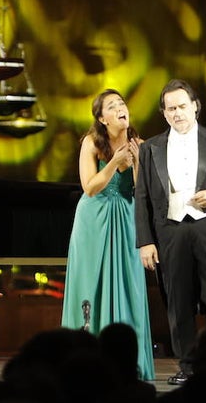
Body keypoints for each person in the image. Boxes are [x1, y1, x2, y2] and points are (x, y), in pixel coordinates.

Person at [134, 78, 206, 385]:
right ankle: (187, 366)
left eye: (182, 107)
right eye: (171, 109)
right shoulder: (151, 148)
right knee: (178, 301)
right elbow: (142, 196)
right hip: (172, 231)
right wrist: (145, 241)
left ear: (195, 107)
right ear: (163, 113)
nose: (177, 113)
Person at [60, 88, 155, 381]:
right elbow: (89, 187)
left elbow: (142, 191)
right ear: (103, 119)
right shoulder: (92, 142)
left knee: (129, 283)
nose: (120, 108)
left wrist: (136, 162)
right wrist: (114, 162)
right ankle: (84, 359)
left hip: (127, 216)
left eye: (121, 103)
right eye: (112, 106)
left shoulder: (140, 144)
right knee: (91, 282)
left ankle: (128, 361)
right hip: (94, 218)